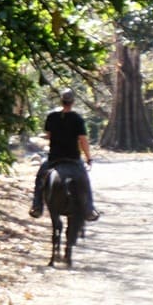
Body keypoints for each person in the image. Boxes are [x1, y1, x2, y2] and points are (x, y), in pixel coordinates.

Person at [31, 90, 98, 221]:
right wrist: (88, 158)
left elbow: (49, 135)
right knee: (85, 179)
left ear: (61, 101)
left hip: (54, 157)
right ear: (73, 102)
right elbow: (83, 140)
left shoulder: (52, 117)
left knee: (40, 177)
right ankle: (89, 209)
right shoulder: (77, 119)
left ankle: (37, 206)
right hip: (73, 157)